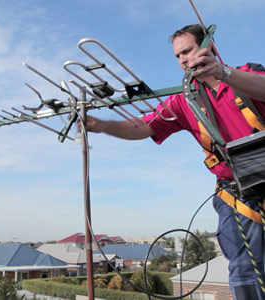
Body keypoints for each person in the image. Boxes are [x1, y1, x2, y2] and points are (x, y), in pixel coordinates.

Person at [80, 24, 265, 299]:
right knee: (245, 269)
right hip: (237, 191)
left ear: (209, 47)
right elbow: (143, 128)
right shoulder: (184, 100)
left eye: (187, 51)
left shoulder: (246, 75)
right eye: (178, 56)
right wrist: (103, 126)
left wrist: (224, 73)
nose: (183, 60)